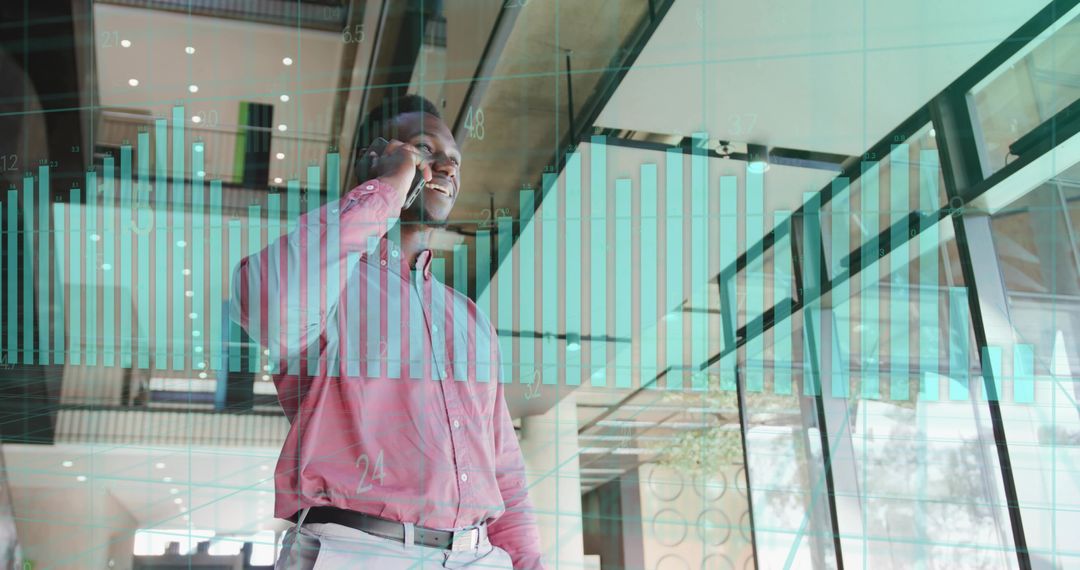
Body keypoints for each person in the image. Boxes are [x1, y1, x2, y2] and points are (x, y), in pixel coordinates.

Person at [229, 94, 543, 569]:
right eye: (425, 150)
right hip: (358, 551)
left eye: (454, 160)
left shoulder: (470, 318)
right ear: (375, 157)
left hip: (479, 555)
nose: (447, 168)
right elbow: (275, 302)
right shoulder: (332, 282)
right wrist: (389, 186)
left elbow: (504, 469)